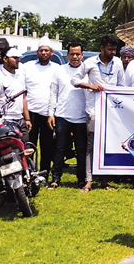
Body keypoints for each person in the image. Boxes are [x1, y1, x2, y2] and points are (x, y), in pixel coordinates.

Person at [71, 35, 125, 193]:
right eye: (110, 49)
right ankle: (88, 181)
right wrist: (90, 86)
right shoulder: (89, 63)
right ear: (102, 48)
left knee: (107, 145)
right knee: (91, 146)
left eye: (114, 49)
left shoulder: (118, 63)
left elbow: (121, 86)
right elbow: (74, 80)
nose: (113, 52)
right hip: (93, 111)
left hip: (111, 112)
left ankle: (104, 180)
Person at [48, 43, 88, 189]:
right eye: (72, 54)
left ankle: (81, 179)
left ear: (82, 55)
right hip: (62, 115)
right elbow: (53, 92)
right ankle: (55, 179)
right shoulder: (60, 70)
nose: (75, 57)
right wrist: (50, 114)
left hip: (82, 117)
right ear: (67, 55)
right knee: (59, 148)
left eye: (78, 54)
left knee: (81, 150)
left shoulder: (88, 71)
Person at [22, 36, 57, 180]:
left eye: (46, 50)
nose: (44, 53)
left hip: (48, 113)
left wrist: (52, 113)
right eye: (41, 50)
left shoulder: (57, 69)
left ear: (51, 52)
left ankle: (44, 174)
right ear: (37, 52)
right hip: (30, 113)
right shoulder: (28, 67)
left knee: (47, 145)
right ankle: (29, 173)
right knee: (29, 145)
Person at [0, 48, 31, 141]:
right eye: (14, 58)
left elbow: (23, 98)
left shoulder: (20, 76)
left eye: (18, 58)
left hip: (20, 119)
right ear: (5, 59)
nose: (18, 60)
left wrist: (27, 119)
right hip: (5, 120)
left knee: (26, 150)